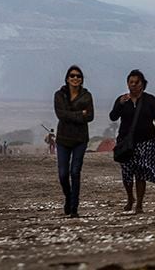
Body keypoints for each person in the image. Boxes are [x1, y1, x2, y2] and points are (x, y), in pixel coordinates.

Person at [109, 69, 155, 214]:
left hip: (146, 142)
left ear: (142, 84)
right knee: (127, 173)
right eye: (130, 82)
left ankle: (139, 203)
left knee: (140, 172)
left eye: (136, 82)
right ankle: (129, 198)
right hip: (126, 144)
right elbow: (113, 117)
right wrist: (119, 104)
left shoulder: (150, 100)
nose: (133, 85)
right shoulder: (122, 100)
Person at [53, 65, 94, 218]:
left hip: (80, 139)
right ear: (67, 78)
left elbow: (90, 116)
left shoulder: (86, 96)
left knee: (75, 172)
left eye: (78, 76)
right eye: (72, 76)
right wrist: (79, 114)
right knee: (63, 174)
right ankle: (69, 197)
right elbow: (60, 114)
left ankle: (74, 207)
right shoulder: (59, 95)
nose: (75, 78)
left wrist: (70, 114)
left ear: (82, 79)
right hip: (63, 139)